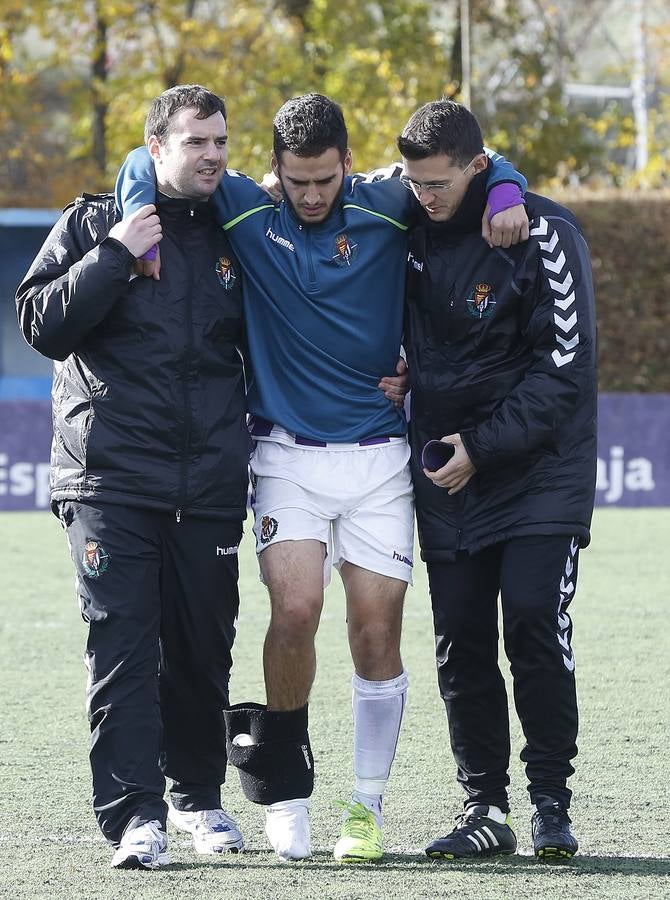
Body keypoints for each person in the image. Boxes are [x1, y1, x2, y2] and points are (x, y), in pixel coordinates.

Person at [116, 92, 529, 863]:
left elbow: (480, 161)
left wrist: (504, 190)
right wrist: (137, 223)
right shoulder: (243, 205)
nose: (311, 196)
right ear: (272, 169)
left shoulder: (387, 203)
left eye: (325, 180)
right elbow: (143, 157)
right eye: (296, 181)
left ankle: (365, 807)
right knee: (296, 610)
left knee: (376, 634)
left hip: (378, 460)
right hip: (284, 457)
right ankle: (286, 789)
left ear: (349, 164)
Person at [15, 85, 252, 870]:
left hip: (211, 485)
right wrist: (116, 251)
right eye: (196, 141)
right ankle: (133, 818)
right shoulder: (91, 221)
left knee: (201, 652)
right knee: (123, 649)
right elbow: (42, 323)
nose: (214, 153)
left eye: (220, 140)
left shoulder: (239, 231)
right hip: (109, 483)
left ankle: (197, 801)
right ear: (156, 148)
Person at [398, 100, 597, 860]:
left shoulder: (544, 231)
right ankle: (485, 807)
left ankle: (551, 802)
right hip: (449, 475)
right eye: (416, 183)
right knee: (460, 644)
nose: (426, 196)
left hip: (540, 472)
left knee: (534, 625)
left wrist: (480, 445)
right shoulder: (406, 214)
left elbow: (564, 375)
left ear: (480, 167)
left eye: (439, 183)